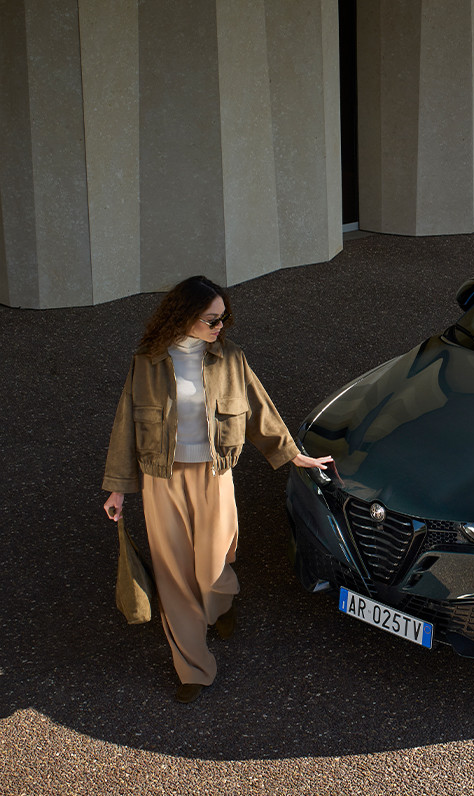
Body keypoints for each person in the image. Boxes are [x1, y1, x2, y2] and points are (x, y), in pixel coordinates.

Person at [102, 276, 331, 703]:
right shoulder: (147, 362)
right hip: (160, 479)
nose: (220, 326)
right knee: (174, 577)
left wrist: (294, 455)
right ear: (185, 316)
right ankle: (193, 668)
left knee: (212, 565)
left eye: (224, 318)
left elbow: (260, 409)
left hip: (214, 474)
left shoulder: (231, 359)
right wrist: (118, 489)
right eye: (212, 319)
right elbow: (125, 426)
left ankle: (222, 603)